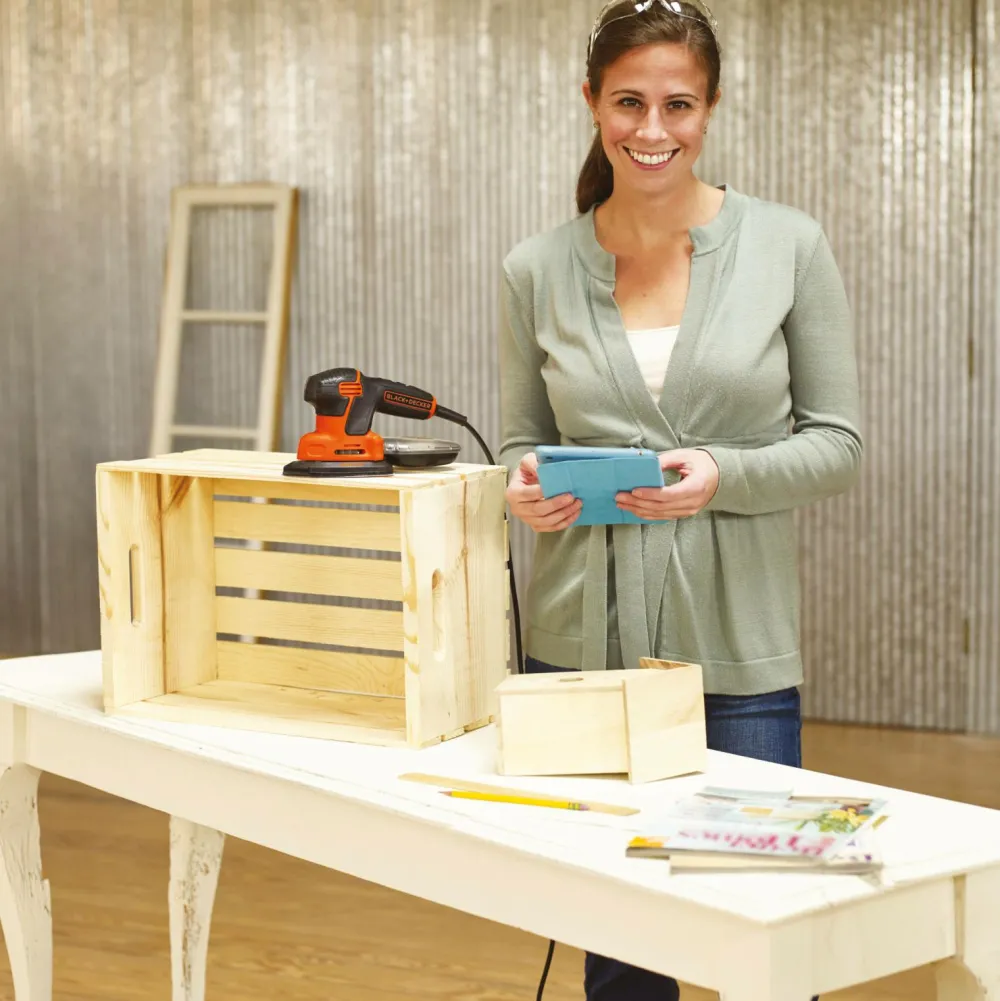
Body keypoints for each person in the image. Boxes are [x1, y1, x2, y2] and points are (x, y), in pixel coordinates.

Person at [496, 0, 863, 998]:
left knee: (770, 934)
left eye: (677, 105)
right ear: (591, 101)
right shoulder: (534, 269)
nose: (651, 129)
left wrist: (721, 474)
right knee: (621, 952)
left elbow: (837, 446)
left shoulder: (789, 246)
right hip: (581, 651)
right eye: (628, 102)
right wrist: (522, 490)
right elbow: (520, 444)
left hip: (739, 651)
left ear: (710, 106)